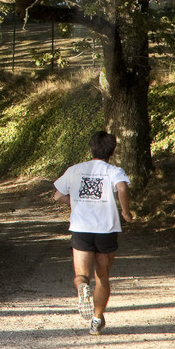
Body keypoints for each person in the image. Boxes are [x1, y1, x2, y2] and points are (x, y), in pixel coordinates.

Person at [53, 130, 132, 335]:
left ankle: (82, 288)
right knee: (102, 277)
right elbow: (122, 188)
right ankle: (97, 319)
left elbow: (57, 195)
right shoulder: (113, 171)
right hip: (106, 229)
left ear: (91, 149)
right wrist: (125, 212)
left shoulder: (75, 170)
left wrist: (76, 203)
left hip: (81, 229)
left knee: (81, 275)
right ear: (112, 151)